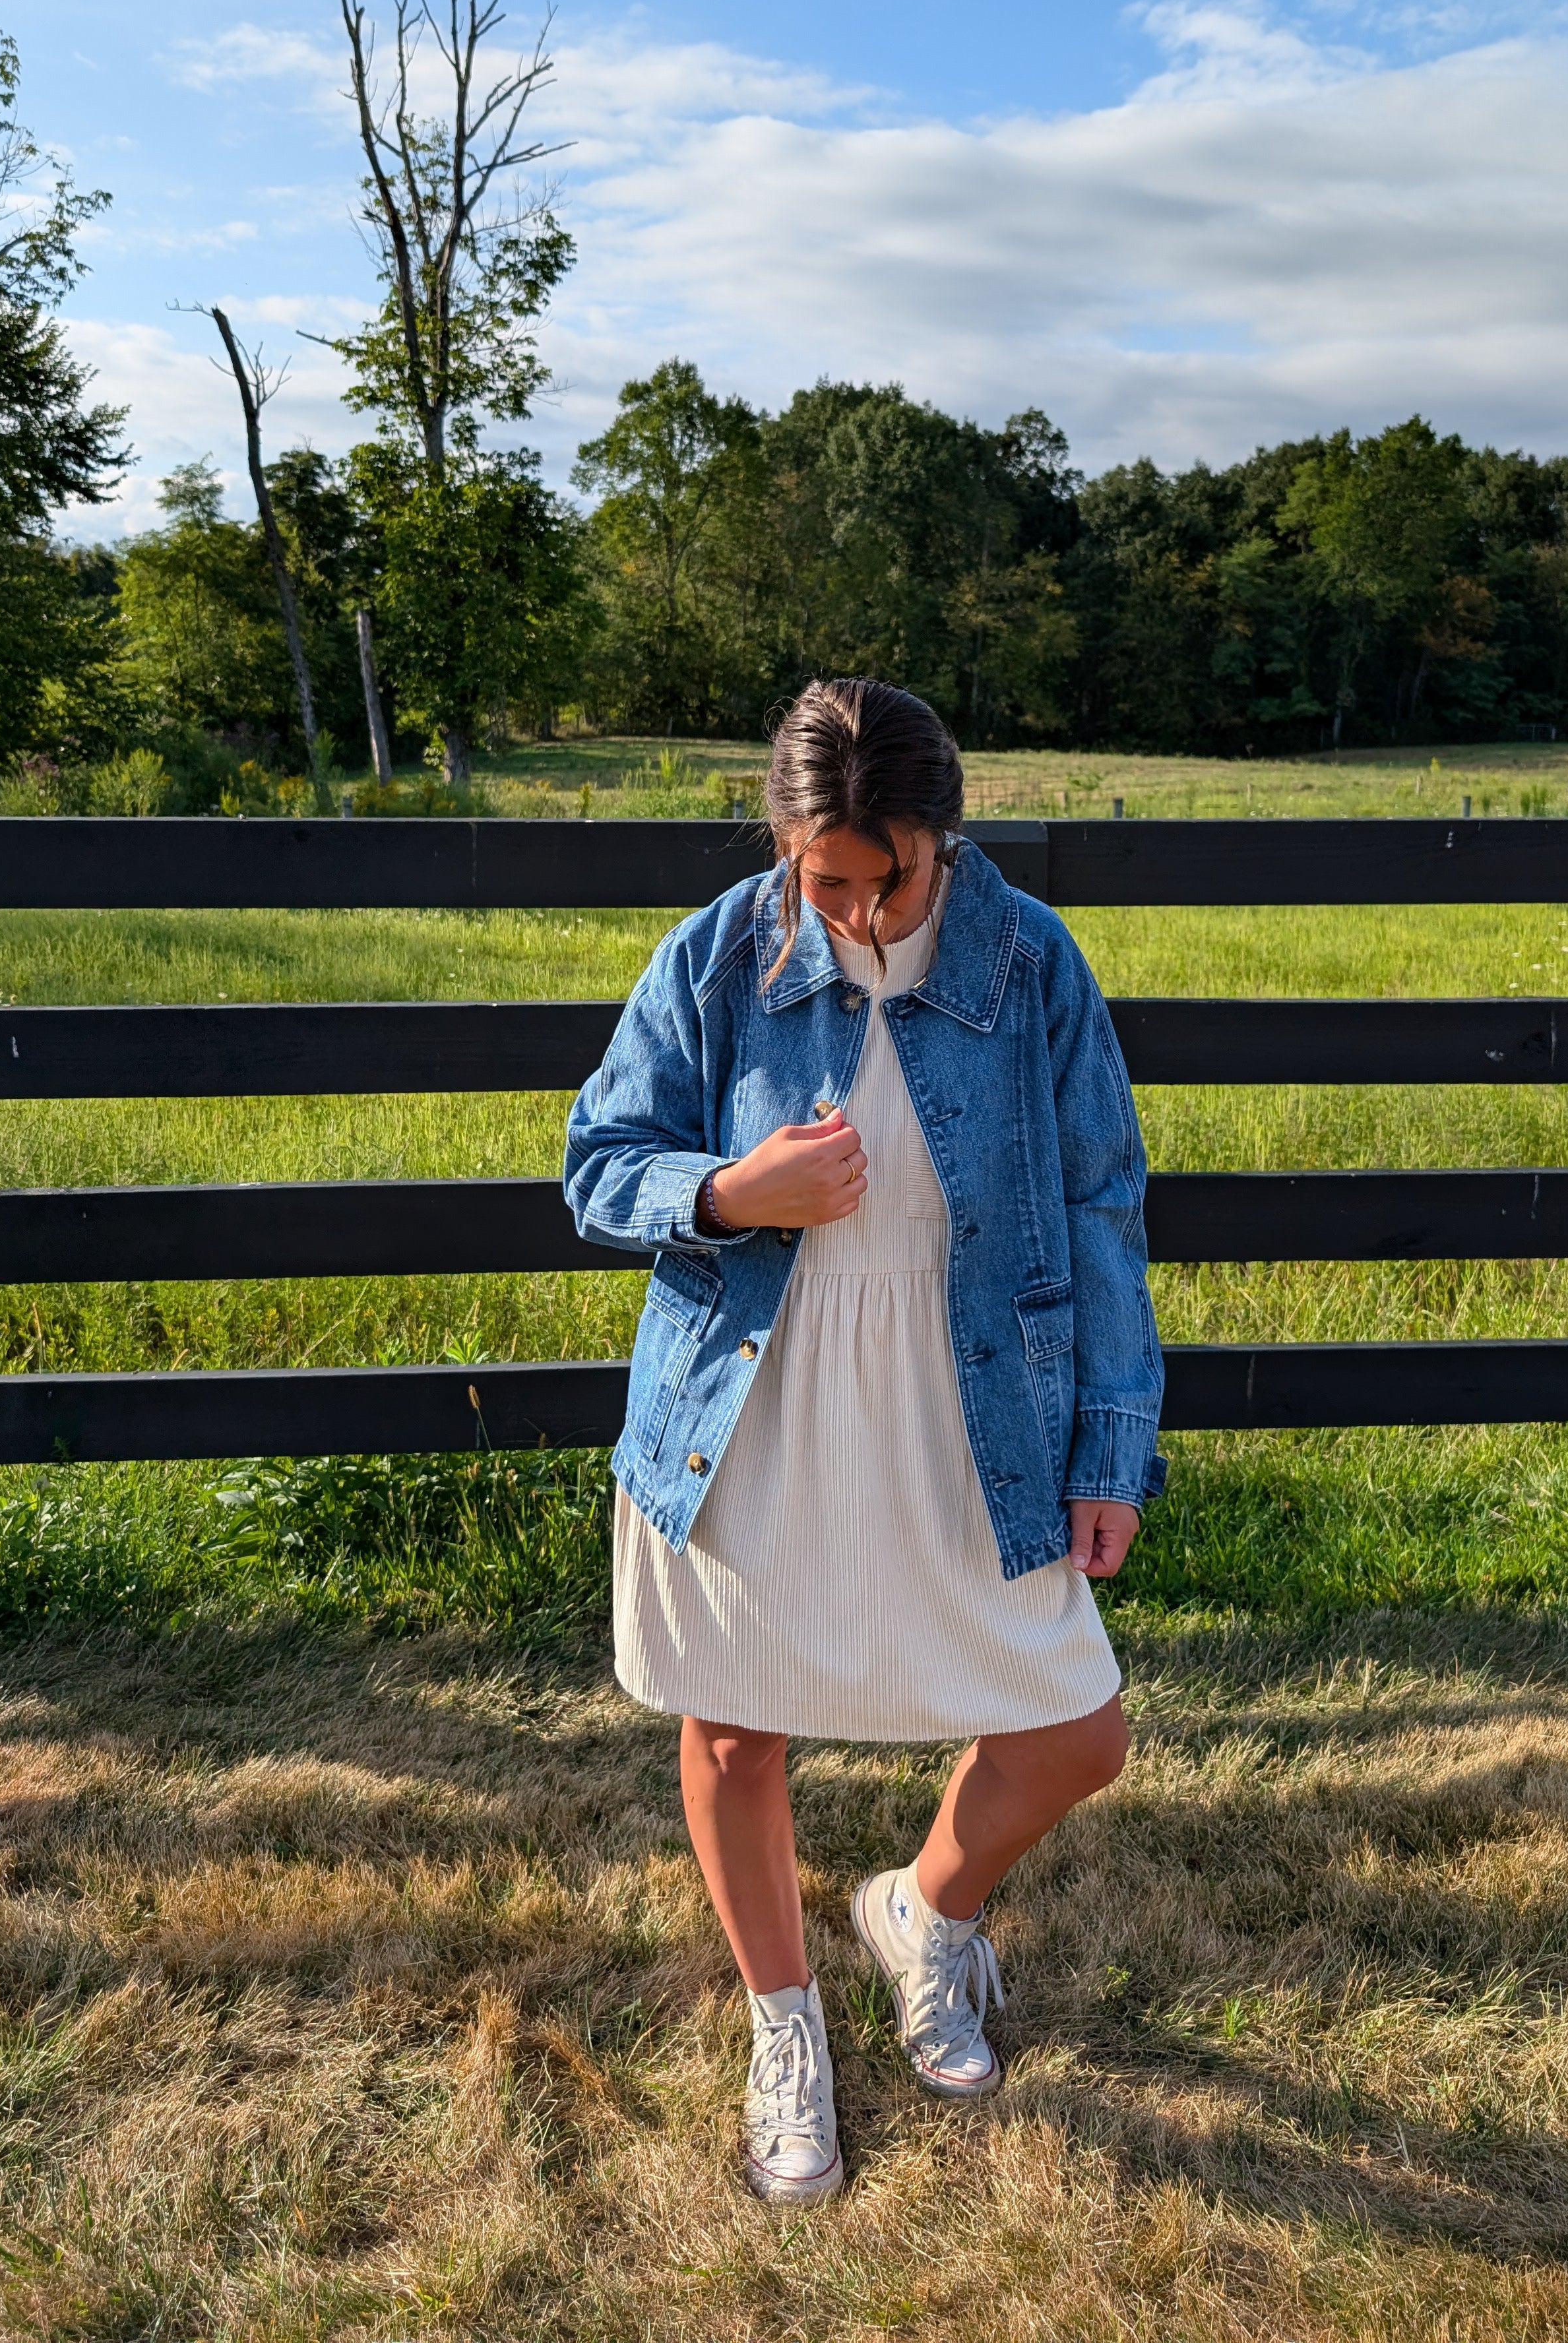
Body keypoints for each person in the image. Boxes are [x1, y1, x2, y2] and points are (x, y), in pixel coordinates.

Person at [564, 678, 1166, 2204]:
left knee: (1076, 1732)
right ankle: (786, 2026)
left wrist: (1111, 1441)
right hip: (751, 1393)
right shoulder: (720, 952)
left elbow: (1102, 1201)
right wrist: (726, 1192)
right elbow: (599, 1162)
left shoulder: (1032, 963)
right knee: (733, 1731)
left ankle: (923, 1912)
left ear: (940, 837)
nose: (845, 910)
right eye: (816, 876)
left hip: (973, 1400)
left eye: (878, 880)